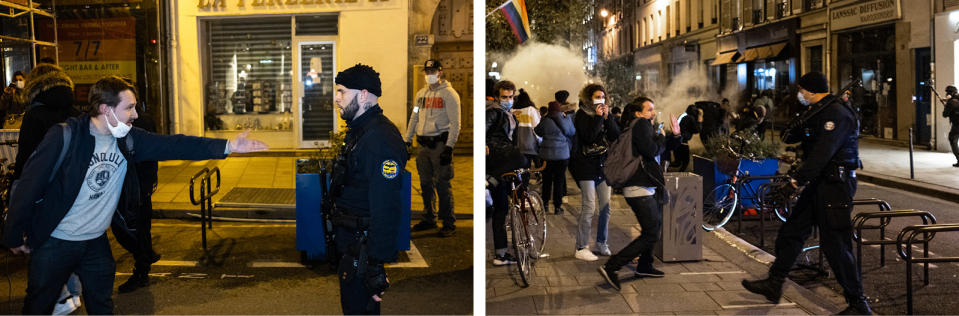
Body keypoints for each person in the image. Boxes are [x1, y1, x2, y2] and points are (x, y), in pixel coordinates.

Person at [3, 76, 267, 314]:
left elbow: (175, 144)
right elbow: (29, 185)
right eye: (129, 108)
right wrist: (13, 235)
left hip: (95, 242)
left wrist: (229, 146)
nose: (135, 115)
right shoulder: (65, 136)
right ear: (105, 109)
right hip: (55, 241)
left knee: (102, 305)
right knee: (39, 306)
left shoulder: (128, 139)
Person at [741, 72, 873, 315]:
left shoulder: (837, 114)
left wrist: (795, 182)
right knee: (791, 232)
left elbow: (822, 154)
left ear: (811, 90)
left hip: (835, 186)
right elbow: (791, 137)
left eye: (801, 90)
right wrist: (798, 122)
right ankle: (775, 282)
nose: (799, 94)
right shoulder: (819, 112)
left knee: (836, 245)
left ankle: (858, 304)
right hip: (819, 184)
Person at [328, 64, 407, 314]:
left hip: (363, 250)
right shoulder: (361, 130)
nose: (336, 98)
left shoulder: (380, 139)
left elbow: (386, 206)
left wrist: (374, 266)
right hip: (352, 244)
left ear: (363, 95)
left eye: (342, 92)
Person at [598, 97, 680, 290]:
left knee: (654, 228)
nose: (653, 112)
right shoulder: (641, 124)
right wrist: (660, 137)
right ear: (638, 113)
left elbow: (662, 150)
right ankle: (612, 266)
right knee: (651, 233)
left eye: (653, 109)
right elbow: (651, 150)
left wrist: (675, 136)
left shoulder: (642, 126)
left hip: (647, 187)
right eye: (649, 109)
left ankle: (645, 265)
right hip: (638, 187)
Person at [406, 59, 461, 237]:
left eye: (432, 71)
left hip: (439, 145)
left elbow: (456, 123)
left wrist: (449, 148)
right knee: (425, 184)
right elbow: (414, 118)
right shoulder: (420, 95)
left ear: (440, 72)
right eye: (427, 71)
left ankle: (448, 222)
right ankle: (429, 217)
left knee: (442, 184)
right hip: (423, 146)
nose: (429, 75)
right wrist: (407, 140)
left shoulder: (449, 94)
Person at [113, 105, 161, 293]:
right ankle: (145, 258)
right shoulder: (145, 118)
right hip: (140, 184)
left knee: (129, 228)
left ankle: (142, 266)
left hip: (133, 186)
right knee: (141, 228)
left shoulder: (134, 122)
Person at [569, 84, 620, 261]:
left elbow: (615, 135)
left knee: (606, 207)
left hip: (602, 166)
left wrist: (607, 118)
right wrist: (598, 118)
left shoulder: (605, 114)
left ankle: (601, 243)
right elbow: (588, 136)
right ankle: (581, 247)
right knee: (589, 207)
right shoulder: (582, 114)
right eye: (597, 97)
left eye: (603, 97)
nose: (600, 100)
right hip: (585, 165)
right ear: (589, 98)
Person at [12, 64, 81, 181]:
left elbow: (26, 157)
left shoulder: (34, 115)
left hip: (43, 183)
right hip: (74, 181)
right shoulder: (78, 114)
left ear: (33, 85)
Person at [486, 80, 524, 266]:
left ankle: (501, 254)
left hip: (504, 163)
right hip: (498, 157)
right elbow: (485, 128)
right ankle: (489, 182)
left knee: (501, 209)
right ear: (497, 96)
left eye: (510, 97)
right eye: (504, 97)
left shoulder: (507, 114)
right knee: (522, 158)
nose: (508, 100)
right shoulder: (493, 111)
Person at [535, 101, 575, 215]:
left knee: (546, 181)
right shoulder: (565, 118)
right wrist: (566, 119)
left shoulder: (545, 120)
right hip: (562, 155)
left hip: (546, 156)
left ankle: (545, 204)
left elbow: (537, 131)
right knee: (559, 180)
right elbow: (572, 132)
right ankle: (557, 207)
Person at [512, 88, 541, 164]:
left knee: (521, 166)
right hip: (530, 143)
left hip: (516, 144)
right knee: (535, 165)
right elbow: (537, 126)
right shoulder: (530, 110)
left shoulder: (512, 111)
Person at [674, 104, 702, 171]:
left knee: (677, 162)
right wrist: (700, 118)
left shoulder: (683, 115)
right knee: (685, 162)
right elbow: (697, 130)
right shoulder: (690, 118)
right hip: (683, 142)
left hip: (677, 141)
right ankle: (678, 177)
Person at [943, 86, 959, 167]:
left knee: (953, 139)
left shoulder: (951, 102)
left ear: (951, 93)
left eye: (947, 92)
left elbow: (945, 114)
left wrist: (946, 104)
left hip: (957, 125)